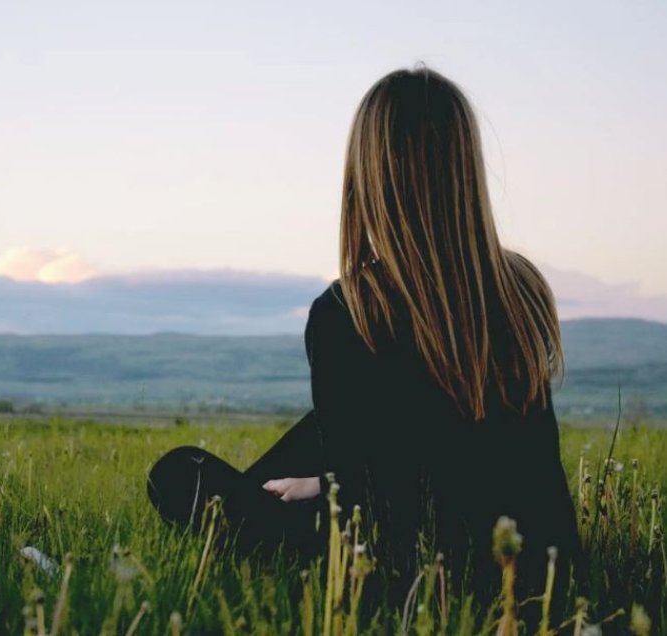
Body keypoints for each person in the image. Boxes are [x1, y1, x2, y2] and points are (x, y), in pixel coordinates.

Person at [146, 64, 583, 617]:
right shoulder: (521, 287)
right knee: (317, 435)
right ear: (464, 167)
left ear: (371, 174)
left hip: (401, 576)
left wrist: (328, 488)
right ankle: (283, 494)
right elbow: (474, 452)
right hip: (541, 570)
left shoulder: (351, 310)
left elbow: (378, 509)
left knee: (179, 474)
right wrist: (326, 480)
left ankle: (246, 530)